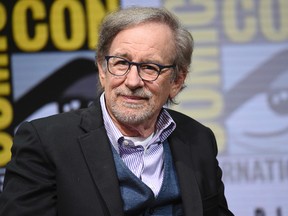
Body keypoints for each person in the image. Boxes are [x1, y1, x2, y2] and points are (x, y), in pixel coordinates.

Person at [0, 7, 234, 216]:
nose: (132, 81)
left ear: (176, 81)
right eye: (121, 63)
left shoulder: (198, 139)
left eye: (149, 67)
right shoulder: (46, 142)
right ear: (103, 70)